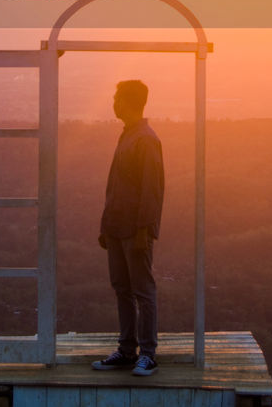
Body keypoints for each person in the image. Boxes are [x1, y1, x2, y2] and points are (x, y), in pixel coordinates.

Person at [91, 79, 165, 377]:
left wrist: (145, 231)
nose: (113, 103)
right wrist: (106, 225)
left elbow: (153, 189)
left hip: (135, 231)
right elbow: (115, 187)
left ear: (129, 102)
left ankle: (147, 354)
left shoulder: (145, 139)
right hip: (117, 228)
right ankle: (126, 350)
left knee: (142, 291)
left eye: (117, 98)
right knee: (123, 289)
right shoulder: (128, 136)